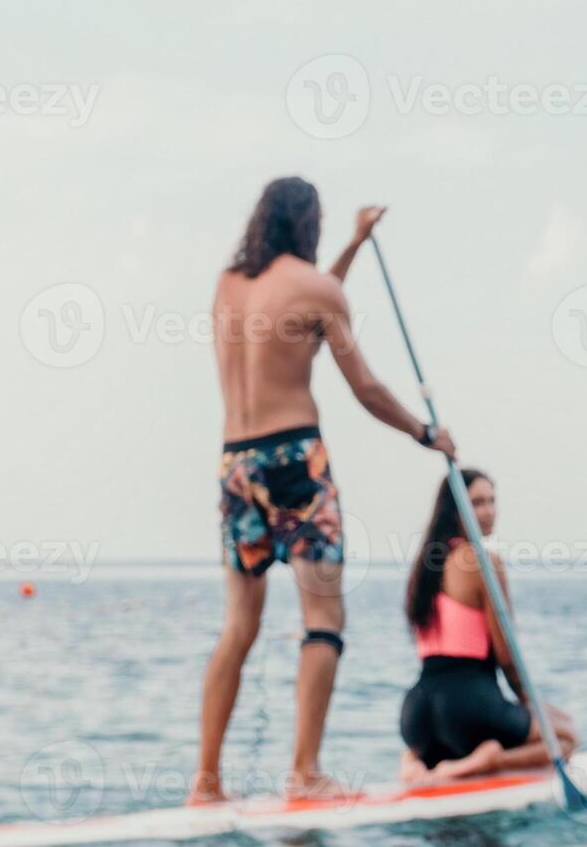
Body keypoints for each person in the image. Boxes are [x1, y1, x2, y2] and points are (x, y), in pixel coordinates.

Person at [194, 177, 456, 804]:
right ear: (308, 224)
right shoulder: (315, 290)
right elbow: (364, 388)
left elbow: (311, 306)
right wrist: (426, 434)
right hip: (295, 461)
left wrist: (356, 243)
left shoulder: (228, 288)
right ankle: (304, 773)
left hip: (236, 466)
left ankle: (205, 781)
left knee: (239, 627)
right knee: (324, 619)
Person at [397, 470, 579, 784]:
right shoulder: (482, 560)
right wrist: (529, 703)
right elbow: (506, 652)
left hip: (416, 715)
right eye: (477, 503)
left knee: (451, 738)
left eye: (492, 501)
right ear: (454, 510)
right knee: (564, 738)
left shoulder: (424, 566)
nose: (488, 511)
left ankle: (414, 760)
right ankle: (489, 761)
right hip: (470, 707)